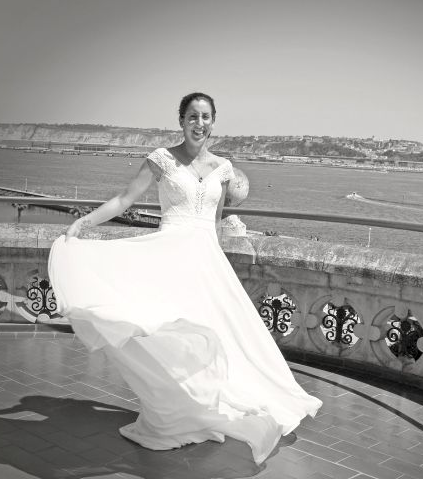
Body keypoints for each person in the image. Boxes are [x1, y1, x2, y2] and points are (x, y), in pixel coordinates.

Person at [48, 92, 322, 464]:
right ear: (181, 121)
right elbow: (125, 199)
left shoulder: (224, 169)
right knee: (165, 334)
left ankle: (202, 408)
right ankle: (172, 412)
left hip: (206, 262)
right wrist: (84, 222)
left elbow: (215, 221)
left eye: (206, 116)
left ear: (213, 121)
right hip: (169, 258)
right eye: (192, 116)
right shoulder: (161, 159)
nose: (199, 123)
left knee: (218, 337)